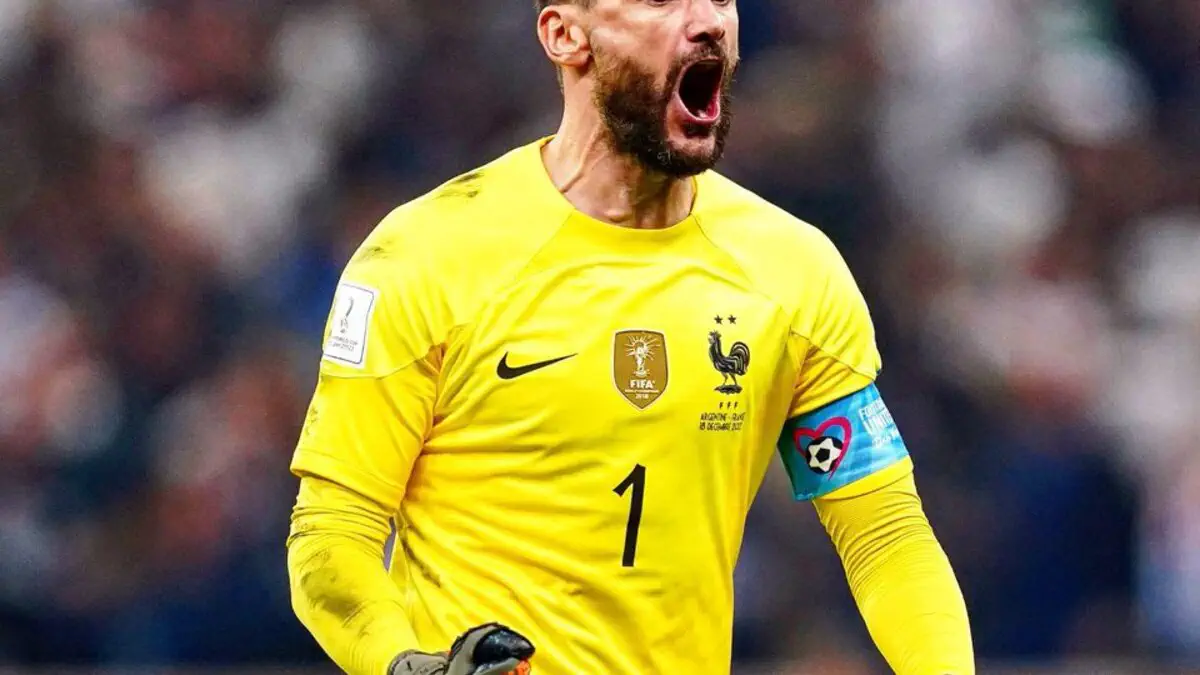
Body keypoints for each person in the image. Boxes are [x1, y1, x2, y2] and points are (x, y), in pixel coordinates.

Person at [286, 1, 975, 673]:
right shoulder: (424, 257)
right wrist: (409, 666)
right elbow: (332, 536)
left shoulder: (793, 273)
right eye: (659, 1)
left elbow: (885, 538)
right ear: (565, 35)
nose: (708, 21)